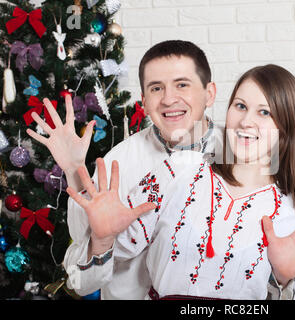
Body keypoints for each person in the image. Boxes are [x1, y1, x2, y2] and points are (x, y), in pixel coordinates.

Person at [66, 64, 295, 299]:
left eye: (265, 112)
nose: (246, 121)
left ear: (286, 129)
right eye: (241, 106)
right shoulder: (179, 169)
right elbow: (91, 277)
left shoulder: (294, 213)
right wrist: (103, 240)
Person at [26, 40, 221, 299]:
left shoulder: (245, 156)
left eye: (182, 84)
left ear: (209, 93)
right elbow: (80, 283)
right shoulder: (119, 161)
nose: (168, 99)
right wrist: (76, 174)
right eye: (156, 88)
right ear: (144, 100)